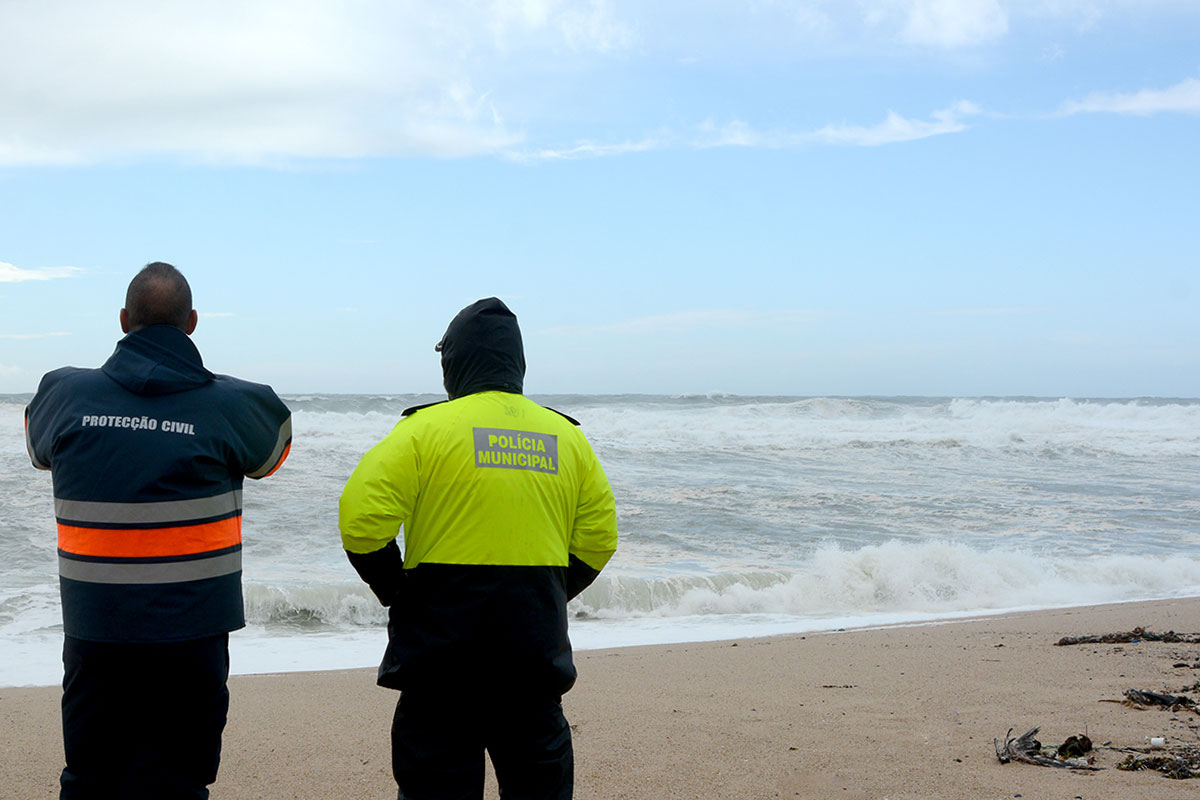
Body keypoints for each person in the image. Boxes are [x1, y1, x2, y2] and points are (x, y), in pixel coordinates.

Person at [24, 262, 292, 800]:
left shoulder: (62, 394)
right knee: (181, 782)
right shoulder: (236, 404)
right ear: (192, 322)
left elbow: (38, 451)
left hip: (96, 630)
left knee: (90, 779)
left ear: (124, 320)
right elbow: (272, 457)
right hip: (192, 635)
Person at [339, 297, 618, 800]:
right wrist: (547, 593)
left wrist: (395, 589)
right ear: (517, 362)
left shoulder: (422, 431)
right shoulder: (567, 439)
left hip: (439, 664)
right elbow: (600, 538)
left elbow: (361, 522)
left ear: (455, 363)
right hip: (532, 659)